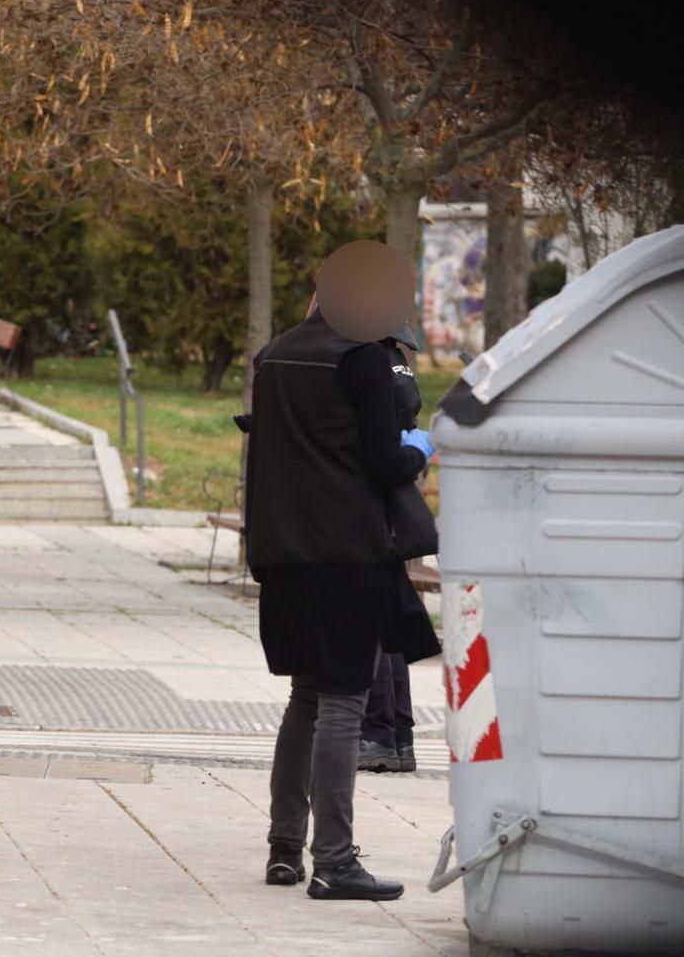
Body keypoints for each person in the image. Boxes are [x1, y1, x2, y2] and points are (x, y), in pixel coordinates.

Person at [246, 244, 440, 902]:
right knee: (343, 702)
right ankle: (334, 859)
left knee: (305, 696)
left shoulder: (274, 354)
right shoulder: (367, 356)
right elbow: (388, 463)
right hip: (349, 550)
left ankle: (283, 848)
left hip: (283, 549)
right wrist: (420, 446)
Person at [359, 321, 425, 774]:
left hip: (369, 497)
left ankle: (376, 733)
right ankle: (399, 735)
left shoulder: (365, 357)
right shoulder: (396, 355)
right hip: (396, 498)